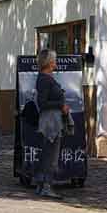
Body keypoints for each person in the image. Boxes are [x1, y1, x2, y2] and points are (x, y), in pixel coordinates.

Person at [34, 49, 70, 200]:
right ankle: (46, 186)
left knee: (48, 152)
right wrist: (60, 105)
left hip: (53, 120)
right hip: (50, 122)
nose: (56, 62)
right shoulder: (44, 79)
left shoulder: (47, 78)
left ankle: (42, 184)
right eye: (54, 59)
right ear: (49, 63)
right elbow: (42, 103)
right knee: (50, 154)